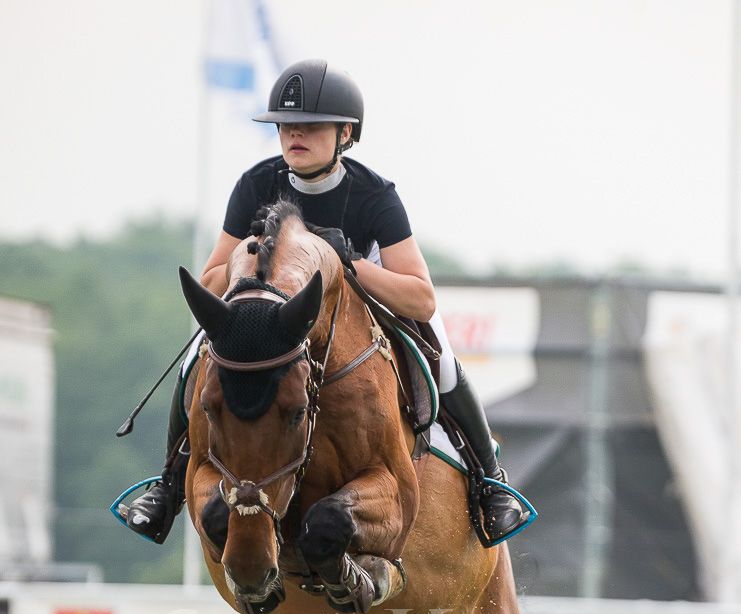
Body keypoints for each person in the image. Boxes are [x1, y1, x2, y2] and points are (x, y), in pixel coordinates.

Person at [126, 58, 528, 545]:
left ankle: (490, 482)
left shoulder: (374, 195)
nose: (295, 134)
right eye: (286, 125)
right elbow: (211, 279)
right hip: (273, 319)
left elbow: (421, 297)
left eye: (311, 125)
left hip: (363, 304)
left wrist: (349, 262)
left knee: (440, 355)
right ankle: (169, 484)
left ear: (346, 133)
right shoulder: (256, 184)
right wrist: (250, 257)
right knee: (197, 355)